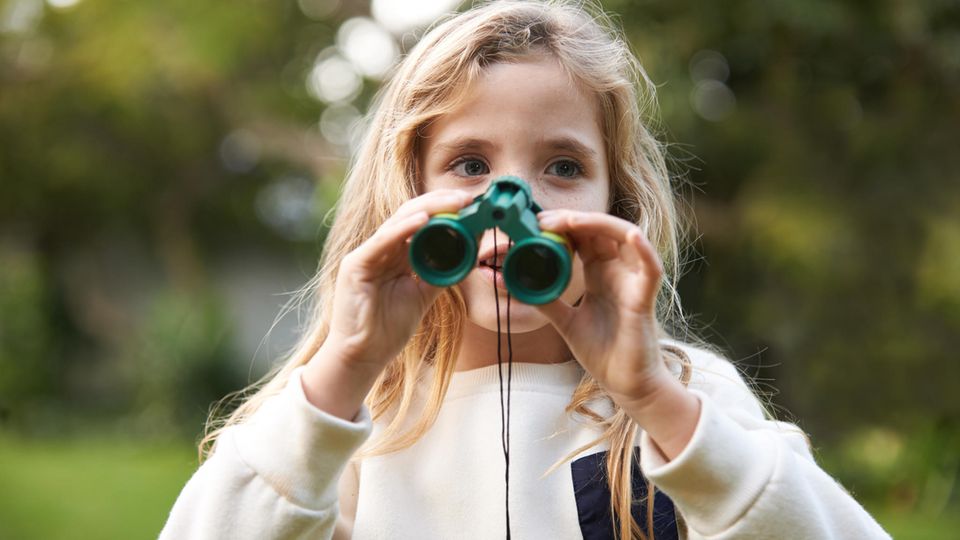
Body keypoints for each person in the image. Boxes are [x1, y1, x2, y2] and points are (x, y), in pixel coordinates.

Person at [159, 1, 891, 539]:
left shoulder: (686, 399)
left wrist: (652, 398)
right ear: (407, 193)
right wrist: (344, 370)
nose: (518, 203)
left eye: (563, 166)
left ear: (619, 203)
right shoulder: (349, 419)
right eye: (470, 165)